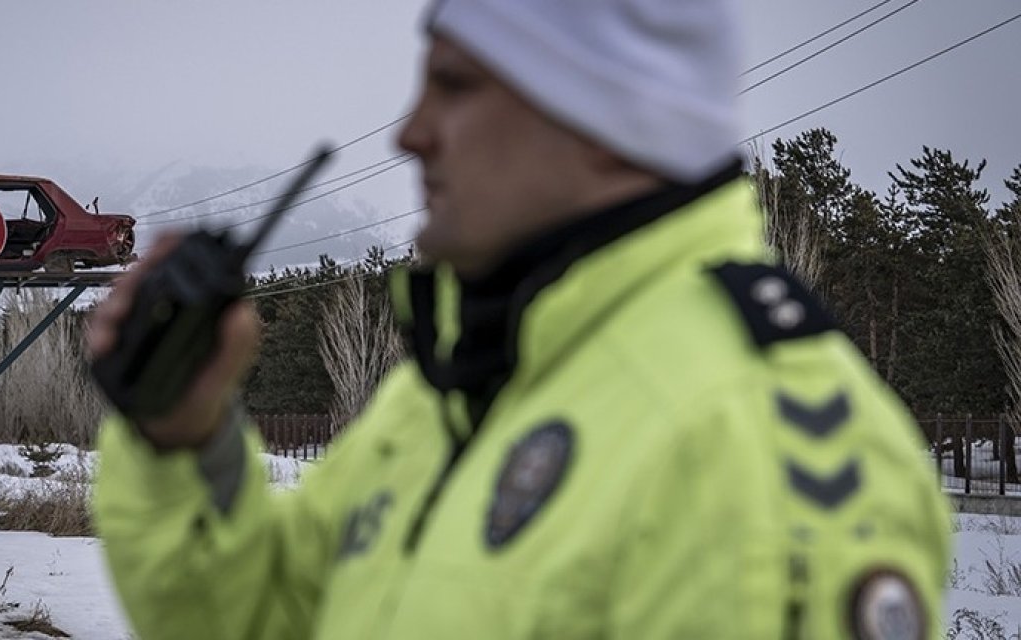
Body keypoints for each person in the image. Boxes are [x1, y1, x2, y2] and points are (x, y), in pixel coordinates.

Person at [88, 0, 951, 638]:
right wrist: (183, 434)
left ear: (609, 116)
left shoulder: (751, 452)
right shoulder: (452, 392)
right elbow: (266, 621)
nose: (411, 134)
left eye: (454, 88)